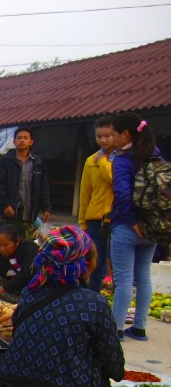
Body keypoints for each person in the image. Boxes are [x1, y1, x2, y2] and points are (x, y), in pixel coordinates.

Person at [0, 226, 124, 387]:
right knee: (101, 378)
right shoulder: (94, 303)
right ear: (85, 263)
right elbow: (114, 366)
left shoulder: (29, 295)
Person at [108, 112, 161, 341]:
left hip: (126, 227)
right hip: (152, 226)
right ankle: (139, 328)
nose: (112, 139)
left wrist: (131, 222)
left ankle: (116, 328)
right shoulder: (155, 156)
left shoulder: (122, 159)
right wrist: (144, 225)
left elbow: (121, 194)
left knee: (123, 280)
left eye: (113, 134)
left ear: (125, 134)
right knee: (144, 277)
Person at [77, 116, 115, 292]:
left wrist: (103, 162)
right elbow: (85, 194)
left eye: (108, 135)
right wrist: (82, 222)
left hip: (118, 217)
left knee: (116, 260)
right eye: (99, 136)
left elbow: (114, 179)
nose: (103, 140)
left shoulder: (122, 159)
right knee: (95, 260)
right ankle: (92, 294)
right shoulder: (91, 161)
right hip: (95, 217)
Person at [0, 127, 52, 238]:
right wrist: (5, 205)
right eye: (19, 138)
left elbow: (43, 187)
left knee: (26, 246)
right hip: (9, 214)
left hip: (29, 213)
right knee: (8, 244)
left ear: (31, 141)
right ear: (14, 142)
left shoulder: (38, 162)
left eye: (25, 138)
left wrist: (46, 208)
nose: (22, 140)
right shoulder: (5, 161)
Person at [0, 224, 39, 302]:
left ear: (17, 242)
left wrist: (2, 289)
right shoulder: (1, 253)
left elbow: (26, 273)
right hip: (11, 285)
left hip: (31, 288)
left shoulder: (31, 248)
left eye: (5, 245)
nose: (2, 249)